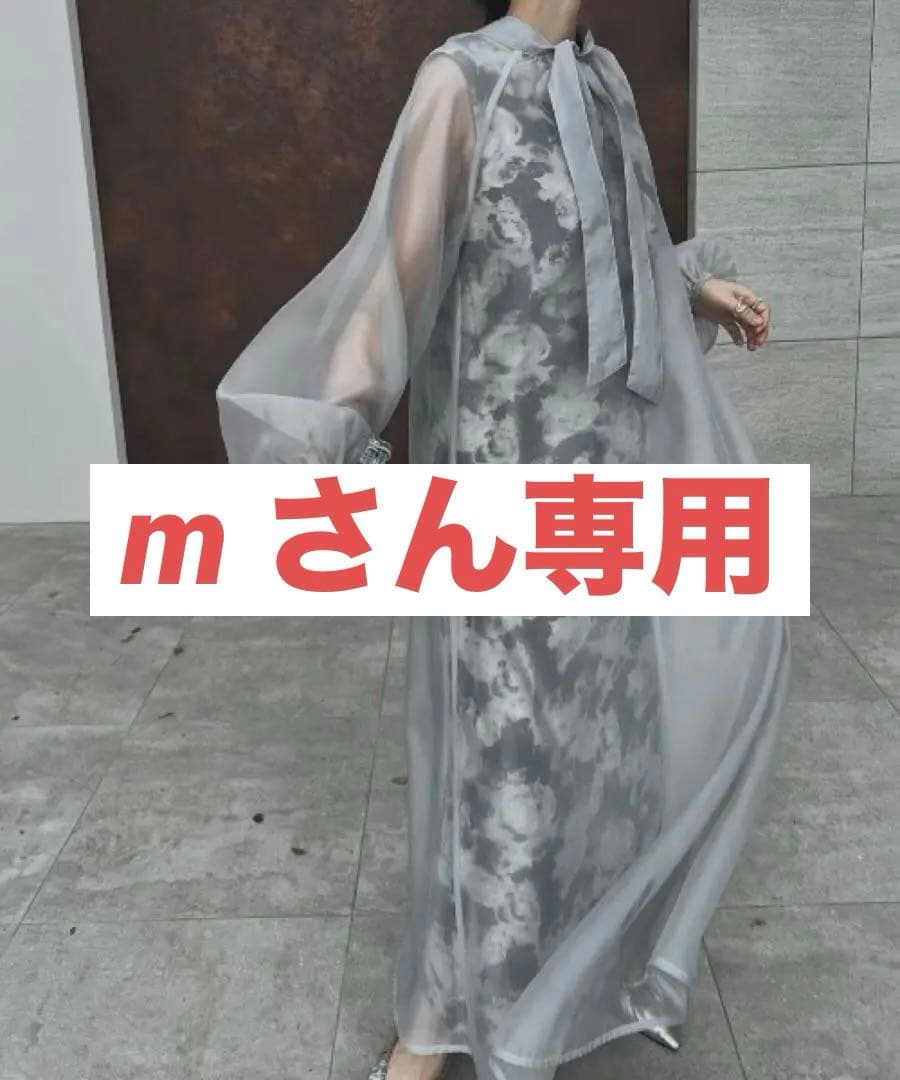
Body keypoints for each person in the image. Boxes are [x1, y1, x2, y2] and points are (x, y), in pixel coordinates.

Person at [215, 3, 791, 1080]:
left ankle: (567, 972)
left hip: (607, 486)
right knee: (498, 753)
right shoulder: (459, 85)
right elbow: (392, 282)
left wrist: (693, 286)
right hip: (500, 485)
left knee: (598, 739)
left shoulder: (606, 82)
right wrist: (327, 437)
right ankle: (440, 1017)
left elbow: (616, 251)